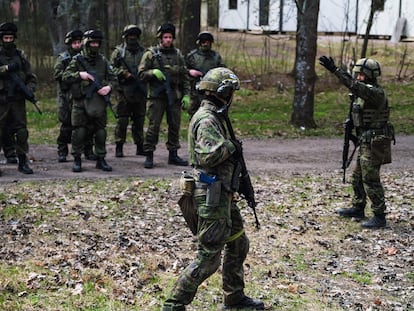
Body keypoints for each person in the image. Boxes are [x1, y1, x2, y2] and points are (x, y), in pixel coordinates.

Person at [162, 67, 264, 311]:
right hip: (212, 195)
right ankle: (174, 304)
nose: (233, 97)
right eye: (231, 92)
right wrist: (231, 146)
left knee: (239, 244)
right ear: (223, 92)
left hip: (223, 194)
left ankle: (235, 298)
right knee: (208, 258)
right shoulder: (207, 119)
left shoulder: (216, 115)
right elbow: (208, 156)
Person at [319, 56, 394, 229]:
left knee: (371, 178)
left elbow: (352, 85)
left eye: (359, 74)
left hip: (375, 141)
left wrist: (336, 70)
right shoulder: (362, 93)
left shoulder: (375, 92)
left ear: (368, 75)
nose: (357, 76)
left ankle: (379, 216)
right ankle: (358, 207)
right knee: (358, 177)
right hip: (366, 139)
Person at [138, 23, 190, 169]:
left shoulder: (178, 55)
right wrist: (152, 73)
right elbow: (141, 74)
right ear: (160, 38)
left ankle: (173, 154)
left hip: (174, 96)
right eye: (165, 37)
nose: (168, 40)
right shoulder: (150, 54)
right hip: (156, 96)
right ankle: (149, 154)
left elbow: (185, 77)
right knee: (153, 126)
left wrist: (186, 95)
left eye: (170, 37)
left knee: (174, 125)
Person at [62, 29, 114, 173]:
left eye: (97, 43)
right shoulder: (77, 60)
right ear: (86, 43)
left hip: (98, 102)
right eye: (92, 43)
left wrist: (109, 88)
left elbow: (113, 78)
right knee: (79, 132)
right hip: (80, 102)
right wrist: (80, 75)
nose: (95, 45)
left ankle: (101, 159)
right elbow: (65, 77)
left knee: (100, 132)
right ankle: (77, 159)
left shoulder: (103, 61)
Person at [54, 30, 97, 163]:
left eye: (79, 42)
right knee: (67, 125)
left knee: (88, 124)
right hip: (67, 96)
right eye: (75, 43)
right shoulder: (64, 58)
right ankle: (63, 150)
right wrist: (77, 75)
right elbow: (58, 75)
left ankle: (88, 150)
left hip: (83, 95)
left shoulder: (86, 57)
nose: (77, 45)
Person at [0, 22, 37, 174]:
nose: (8, 40)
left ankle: (23, 162)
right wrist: (6, 69)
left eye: (10, 38)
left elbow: (31, 77)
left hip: (17, 101)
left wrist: (29, 90)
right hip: (1, 100)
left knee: (21, 132)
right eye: (5, 38)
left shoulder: (20, 56)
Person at [110, 24, 146, 157]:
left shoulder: (144, 52)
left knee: (139, 120)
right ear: (125, 37)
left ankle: (140, 146)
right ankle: (119, 146)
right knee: (122, 120)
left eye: (134, 36)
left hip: (139, 91)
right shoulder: (119, 52)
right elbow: (111, 69)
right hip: (123, 92)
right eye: (130, 36)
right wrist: (123, 73)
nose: (132, 38)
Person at [185, 31, 225, 116]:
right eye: (203, 42)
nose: (205, 44)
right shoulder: (192, 56)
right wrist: (190, 72)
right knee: (194, 114)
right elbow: (183, 71)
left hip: (212, 91)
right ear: (199, 43)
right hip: (195, 91)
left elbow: (223, 71)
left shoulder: (216, 57)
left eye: (208, 42)